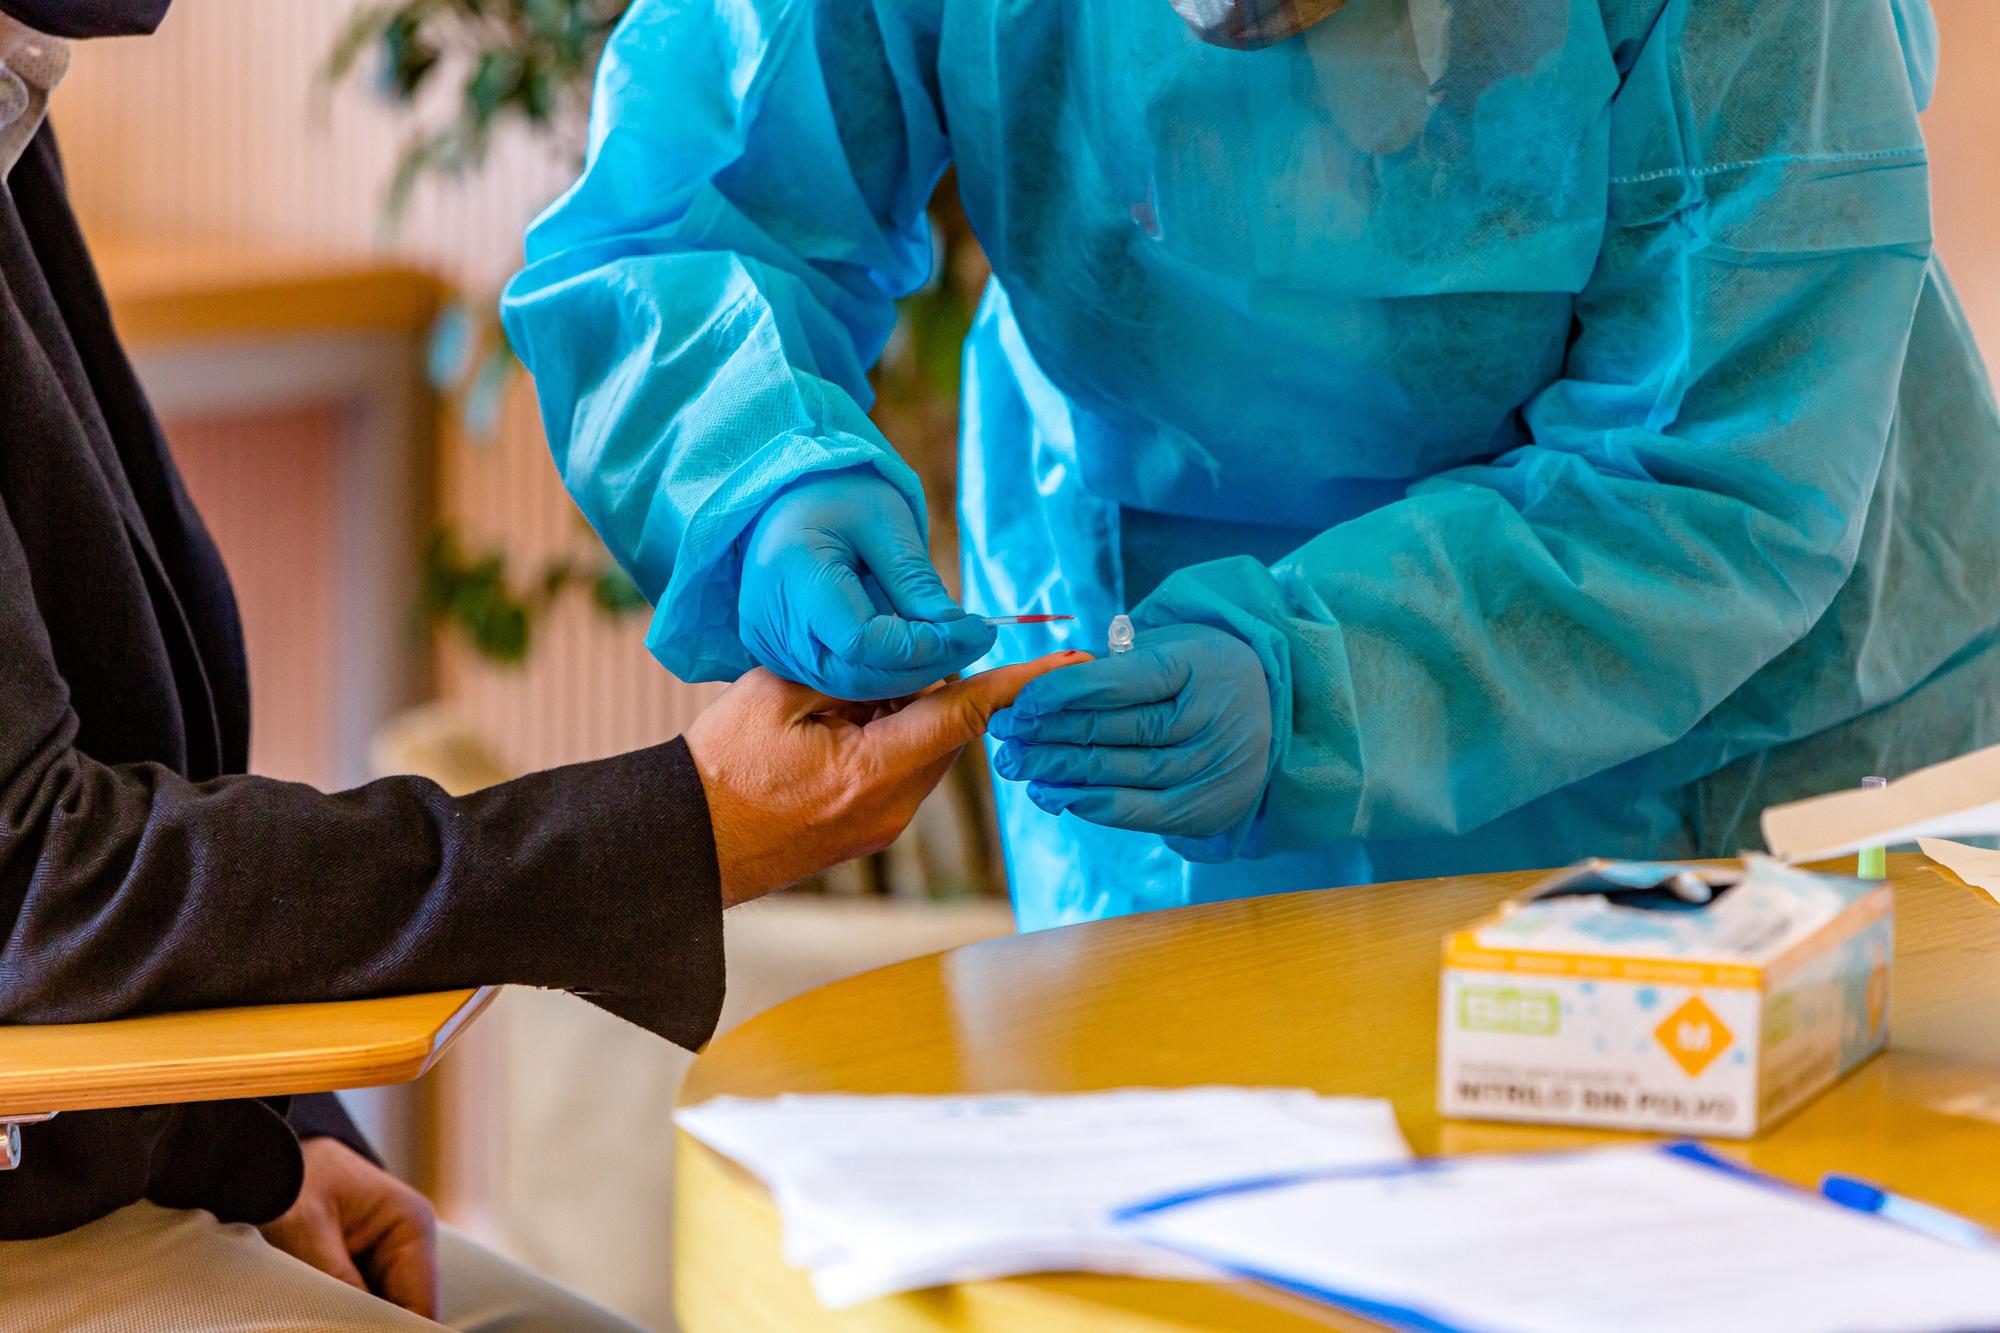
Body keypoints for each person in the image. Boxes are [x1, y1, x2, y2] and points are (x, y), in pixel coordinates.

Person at [0, 3, 1078, 1329]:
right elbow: (35, 884)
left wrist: (260, 1135)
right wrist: (677, 826)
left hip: (103, 1155)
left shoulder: (16, 119)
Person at [504, 0, 2000, 931]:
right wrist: (761, 480)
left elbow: (1717, 461)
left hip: (1725, 748)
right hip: (1148, 716)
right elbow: (685, 222)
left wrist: (1323, 678)